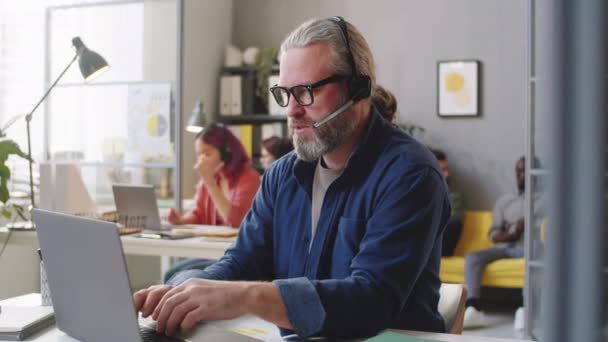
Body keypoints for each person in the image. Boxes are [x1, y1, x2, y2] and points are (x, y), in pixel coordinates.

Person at [134, 16, 450, 339]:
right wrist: (183, 292)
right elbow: (242, 263)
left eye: (306, 92)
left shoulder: (410, 175)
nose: (291, 110)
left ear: (357, 89)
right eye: (285, 93)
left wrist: (245, 296)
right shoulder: (281, 175)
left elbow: (370, 301)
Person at [162, 123, 261, 283]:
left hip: (236, 258)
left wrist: (209, 182)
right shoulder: (210, 179)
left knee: (176, 276)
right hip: (212, 252)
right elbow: (198, 214)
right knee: (172, 273)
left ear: (226, 153)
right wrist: (179, 220)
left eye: (206, 154)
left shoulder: (249, 178)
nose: (201, 161)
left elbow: (236, 221)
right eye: (198, 155)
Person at [463, 156, 527, 329]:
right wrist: (512, 233)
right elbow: (493, 234)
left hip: (531, 248)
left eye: (525, 171)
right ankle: (473, 307)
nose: (521, 175)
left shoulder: (547, 200)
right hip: (505, 247)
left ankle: (526, 307)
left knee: (536, 256)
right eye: (518, 171)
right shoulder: (505, 201)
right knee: (473, 257)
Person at [430, 149, 464, 256]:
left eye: (447, 169)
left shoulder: (453, 194)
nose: (447, 174)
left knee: (453, 223)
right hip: (423, 239)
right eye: (442, 170)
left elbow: (452, 218)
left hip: (442, 240)